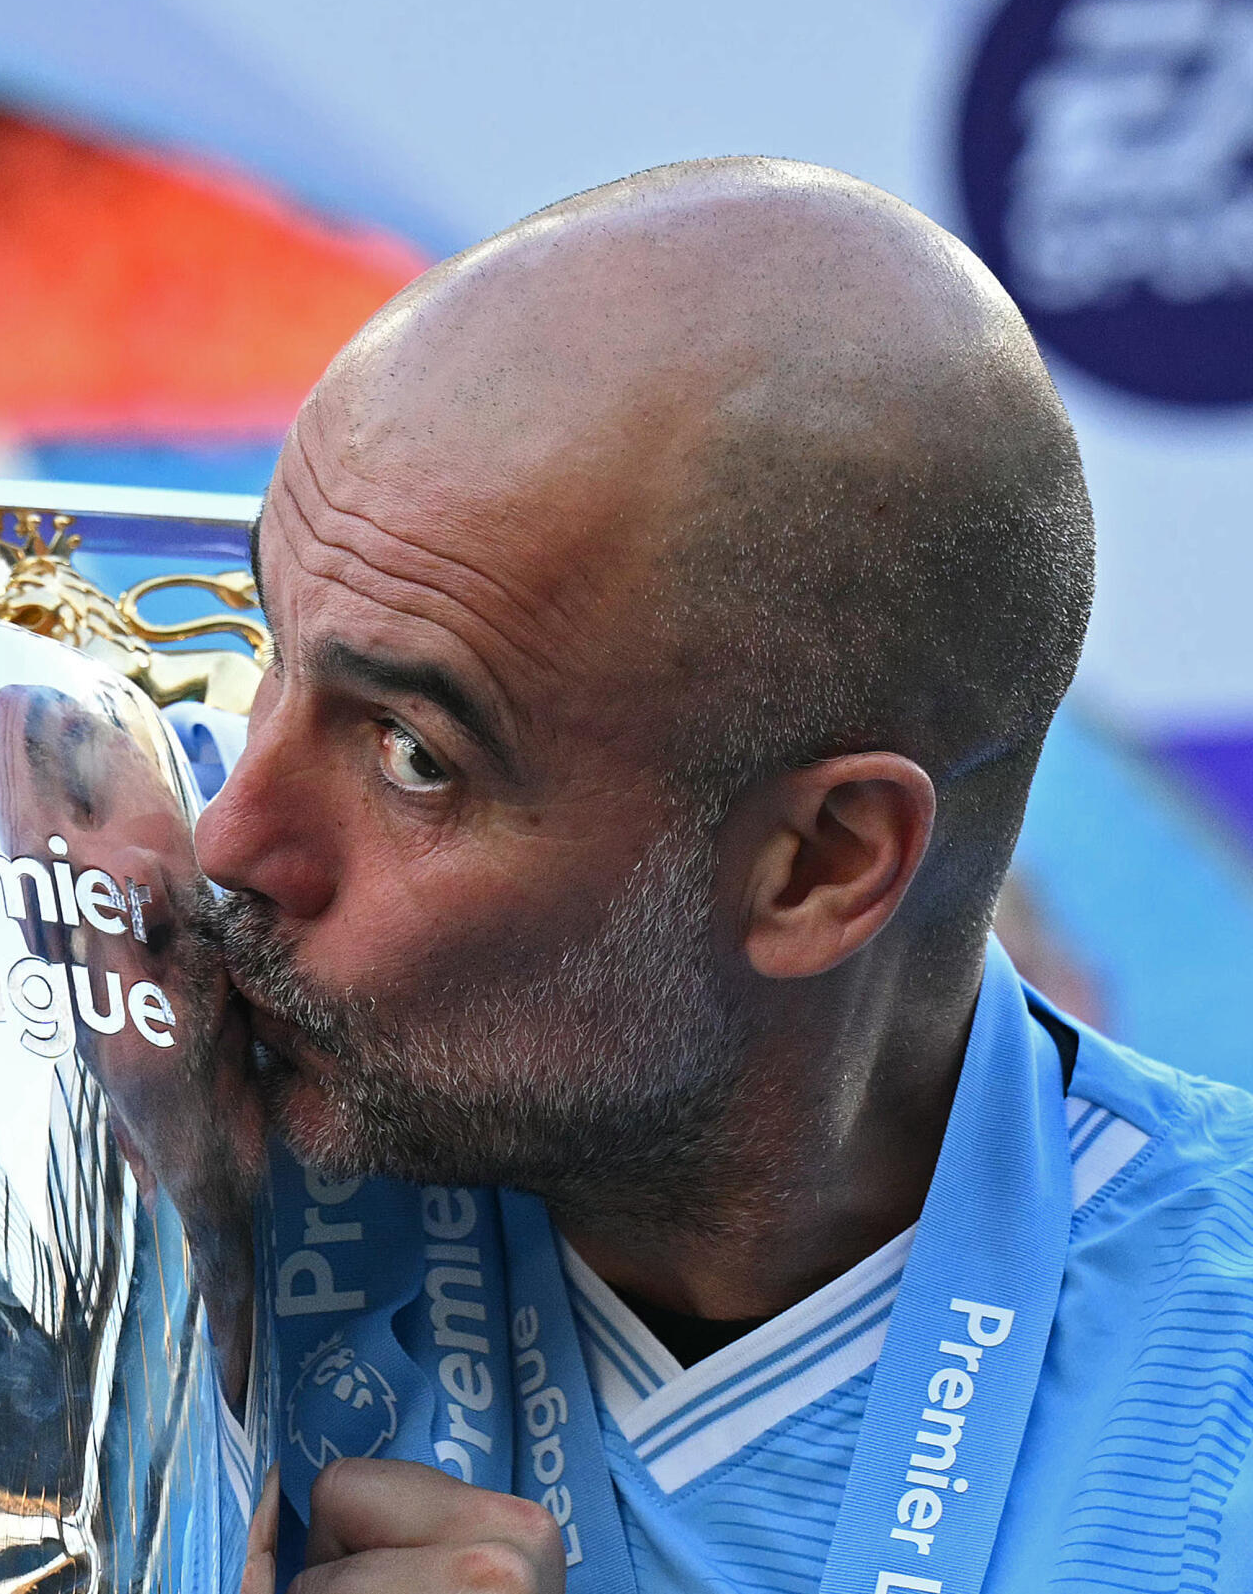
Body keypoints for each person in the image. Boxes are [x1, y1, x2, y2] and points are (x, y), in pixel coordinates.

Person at [199, 157, 1253, 1590]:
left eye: (413, 754)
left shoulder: (1215, 1378)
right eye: (272, 646)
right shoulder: (127, 1174)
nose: (233, 840)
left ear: (817, 869)